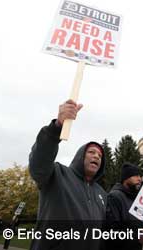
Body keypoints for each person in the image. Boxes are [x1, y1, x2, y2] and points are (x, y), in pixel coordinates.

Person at [28, 100, 107, 250]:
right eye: (91, 152)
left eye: (99, 155)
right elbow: (38, 165)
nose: (96, 156)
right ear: (80, 156)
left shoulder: (102, 194)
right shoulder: (57, 175)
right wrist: (56, 127)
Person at [105, 163, 143, 250]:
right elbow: (112, 232)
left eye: (140, 176)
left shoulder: (139, 199)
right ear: (125, 178)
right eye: (135, 175)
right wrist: (138, 237)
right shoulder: (115, 197)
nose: (139, 179)